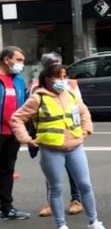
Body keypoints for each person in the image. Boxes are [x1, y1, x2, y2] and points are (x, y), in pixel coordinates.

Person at [10, 62, 108, 229]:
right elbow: (17, 118)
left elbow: (84, 112)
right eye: (58, 77)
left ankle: (94, 222)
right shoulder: (38, 98)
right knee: (56, 188)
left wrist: (86, 130)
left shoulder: (70, 94)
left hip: (75, 147)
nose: (62, 80)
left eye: (64, 76)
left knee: (85, 185)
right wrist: (27, 139)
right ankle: (61, 225)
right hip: (51, 150)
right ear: (47, 79)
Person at [32, 53, 83, 218]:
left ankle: (76, 200)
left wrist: (84, 129)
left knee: (73, 171)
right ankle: (51, 202)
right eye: (53, 65)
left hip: (70, 135)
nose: (58, 69)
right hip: (50, 138)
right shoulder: (36, 87)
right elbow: (29, 113)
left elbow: (80, 107)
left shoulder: (70, 85)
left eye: (59, 64)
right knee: (51, 172)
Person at [0, 47, 29, 220]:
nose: (21, 64)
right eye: (18, 60)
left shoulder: (18, 80)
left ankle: (6, 207)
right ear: (6, 59)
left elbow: (24, 104)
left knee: (7, 170)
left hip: (12, 133)